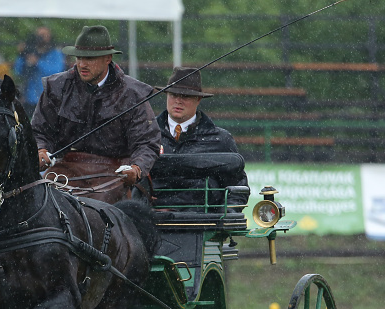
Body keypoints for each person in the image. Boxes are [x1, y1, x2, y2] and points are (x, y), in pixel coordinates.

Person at [32, 25, 160, 190]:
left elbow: (147, 142)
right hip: (64, 170)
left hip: (116, 173)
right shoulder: (57, 87)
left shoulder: (132, 94)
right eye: (79, 58)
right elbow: (39, 131)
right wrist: (40, 150)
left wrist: (136, 168)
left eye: (89, 59)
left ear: (108, 59)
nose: (82, 64)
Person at [152, 67, 249, 207]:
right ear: (166, 94)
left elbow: (238, 187)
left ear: (198, 99)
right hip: (151, 220)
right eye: (173, 94)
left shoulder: (221, 140)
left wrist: (226, 216)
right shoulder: (145, 134)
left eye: (185, 96)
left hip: (205, 222)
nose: (178, 101)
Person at [13, 26, 66, 116]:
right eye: (39, 35)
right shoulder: (29, 52)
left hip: (50, 100)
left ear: (50, 37)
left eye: (44, 35)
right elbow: (18, 71)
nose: (41, 38)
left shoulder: (55, 53)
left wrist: (37, 62)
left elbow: (57, 70)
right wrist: (22, 55)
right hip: (30, 100)